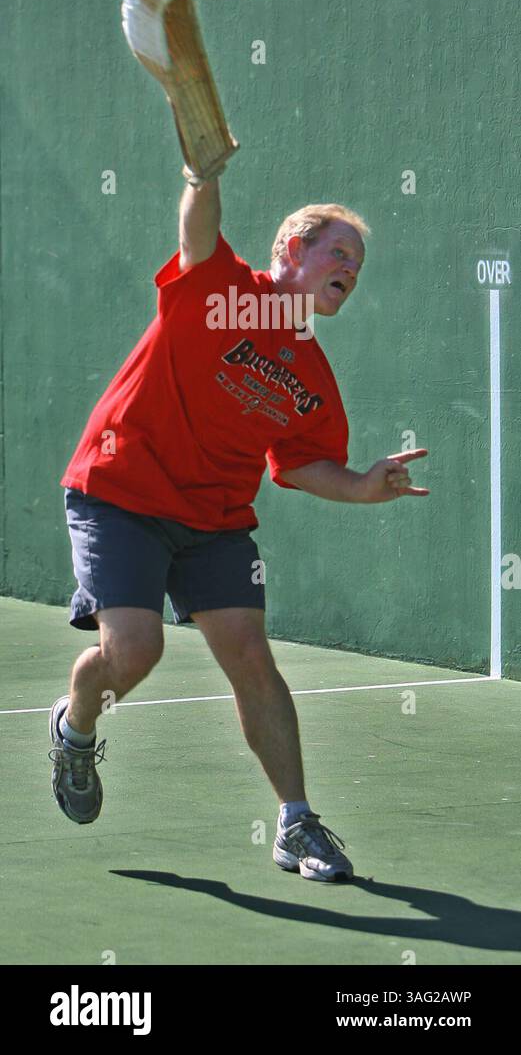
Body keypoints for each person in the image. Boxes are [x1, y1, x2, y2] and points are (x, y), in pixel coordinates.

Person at [49, 177, 429, 883]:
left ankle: (295, 824)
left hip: (215, 520)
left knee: (252, 658)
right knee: (134, 649)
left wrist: (362, 487)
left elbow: (304, 463)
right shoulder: (218, 287)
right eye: (337, 252)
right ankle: (75, 731)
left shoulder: (310, 374)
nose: (349, 268)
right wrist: (202, 173)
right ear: (291, 249)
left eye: (357, 265)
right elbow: (198, 227)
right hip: (120, 491)